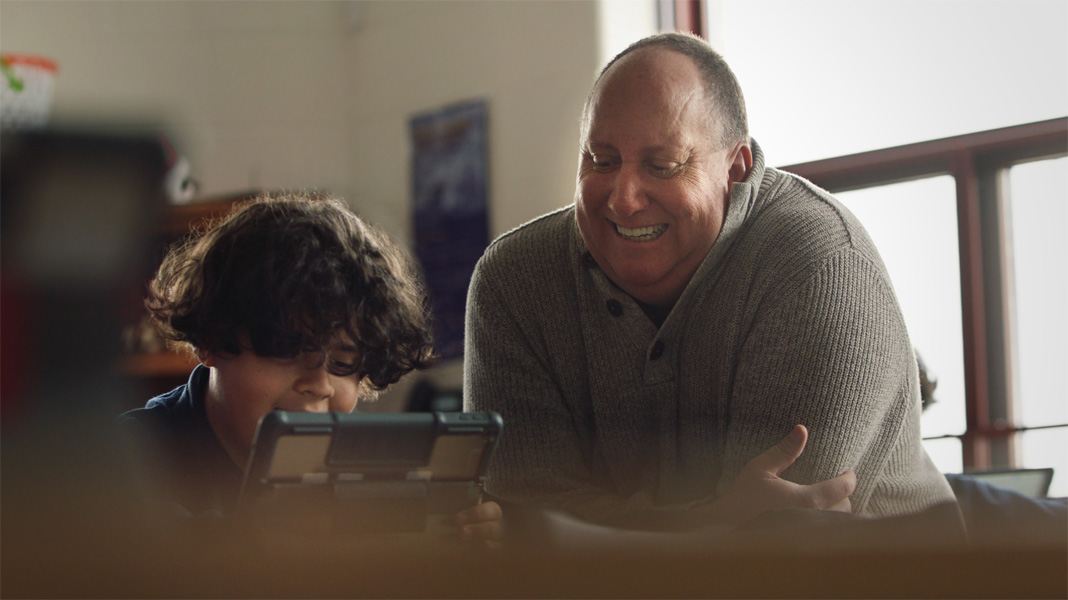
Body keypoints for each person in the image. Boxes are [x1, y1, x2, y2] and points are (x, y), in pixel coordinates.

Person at [464, 32, 957, 530]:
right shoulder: (514, 281)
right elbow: (518, 522)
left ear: (735, 169)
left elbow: (775, 546)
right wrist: (717, 518)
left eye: (663, 166)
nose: (623, 199)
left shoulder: (819, 264)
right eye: (601, 161)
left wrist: (572, 533)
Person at [121, 192, 501, 544]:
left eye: (342, 363)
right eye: (286, 350)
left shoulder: (369, 467)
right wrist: (258, 539)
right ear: (210, 341)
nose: (319, 384)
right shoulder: (123, 461)